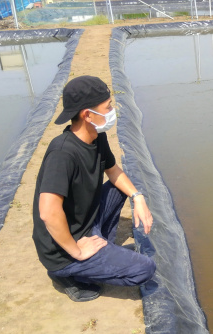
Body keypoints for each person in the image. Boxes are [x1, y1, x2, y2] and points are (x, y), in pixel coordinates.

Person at [32, 75, 156, 302]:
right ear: (87, 114)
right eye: (108, 107)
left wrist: (138, 198)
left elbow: (114, 171)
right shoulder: (63, 153)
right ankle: (70, 273)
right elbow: (48, 212)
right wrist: (76, 251)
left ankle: (101, 248)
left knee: (122, 189)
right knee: (145, 269)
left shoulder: (97, 138)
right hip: (65, 248)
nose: (112, 111)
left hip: (86, 223)